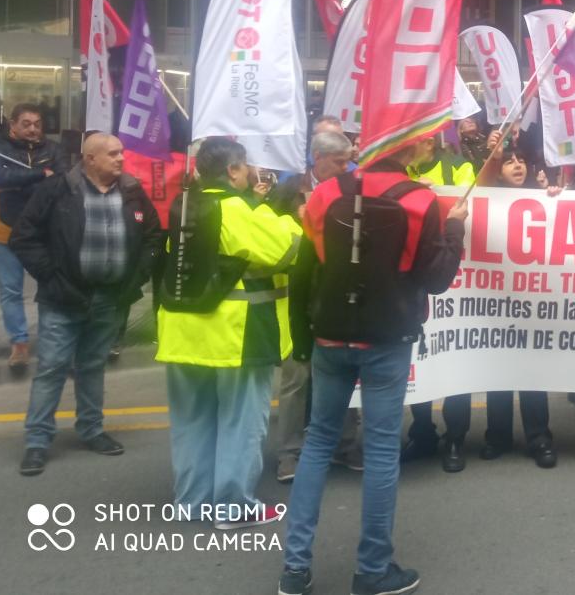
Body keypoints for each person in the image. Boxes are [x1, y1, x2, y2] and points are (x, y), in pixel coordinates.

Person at [278, 137, 467, 595]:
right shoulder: (422, 201)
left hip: (330, 332)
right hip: (387, 336)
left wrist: (304, 339)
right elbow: (437, 281)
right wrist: (456, 229)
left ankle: (294, 569)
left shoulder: (325, 192)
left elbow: (307, 269)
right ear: (412, 145)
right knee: (382, 448)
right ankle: (372, 570)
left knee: (318, 441)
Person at [156, 137, 302, 526]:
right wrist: (288, 216)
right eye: (247, 165)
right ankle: (233, 506)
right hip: (234, 337)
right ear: (234, 170)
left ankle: (191, 501)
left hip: (182, 334)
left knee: (191, 421)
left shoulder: (184, 205)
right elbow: (287, 249)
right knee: (241, 422)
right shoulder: (234, 208)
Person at [12, 133, 161, 476]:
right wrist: (51, 278)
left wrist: (136, 277)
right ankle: (37, 441)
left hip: (110, 298)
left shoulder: (132, 191)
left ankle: (91, 430)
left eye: (121, 152)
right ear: (90, 159)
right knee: (51, 368)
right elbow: (24, 236)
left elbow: (153, 235)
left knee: (92, 366)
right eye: (112, 154)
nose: (121, 158)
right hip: (63, 300)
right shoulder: (58, 190)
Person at [267, 131, 364, 483]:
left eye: (348, 161)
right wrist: (299, 222)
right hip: (298, 295)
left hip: (339, 296)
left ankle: (345, 444)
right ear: (318, 157)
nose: (345, 167)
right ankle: (290, 453)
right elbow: (264, 227)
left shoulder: (354, 187)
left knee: (344, 375)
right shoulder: (288, 189)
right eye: (339, 162)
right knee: (296, 379)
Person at [472, 129, 558, 468]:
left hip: (533, 301)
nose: (517, 165)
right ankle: (498, 436)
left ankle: (539, 437)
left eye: (521, 160)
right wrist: (494, 154)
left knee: (531, 372)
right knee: (500, 371)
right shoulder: (487, 197)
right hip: (497, 300)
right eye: (510, 162)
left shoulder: (545, 197)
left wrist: (557, 195)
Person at [401, 134, 478, 472]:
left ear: (430, 142)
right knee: (422, 362)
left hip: (460, 278)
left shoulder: (458, 167)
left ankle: (456, 437)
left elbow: (470, 200)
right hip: (419, 278)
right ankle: (422, 432)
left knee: (455, 362)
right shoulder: (401, 172)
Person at [0, 102, 68, 373]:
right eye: (26, 123)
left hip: (44, 232)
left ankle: (52, 339)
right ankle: (19, 343)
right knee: (11, 291)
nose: (33, 129)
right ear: (12, 124)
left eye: (37, 124)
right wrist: (38, 174)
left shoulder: (53, 150)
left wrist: (21, 179)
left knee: (51, 285)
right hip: (5, 231)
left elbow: (61, 180)